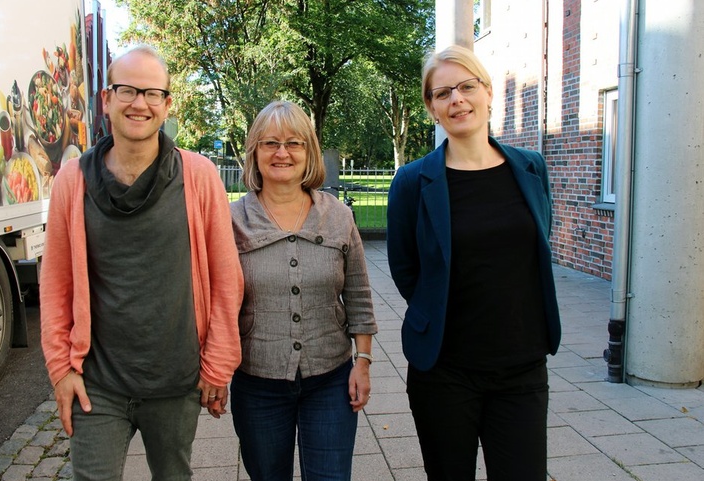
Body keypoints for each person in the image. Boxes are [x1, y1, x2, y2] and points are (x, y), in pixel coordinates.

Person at [39, 45, 243, 481]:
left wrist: (217, 364)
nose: (140, 103)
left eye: (152, 93)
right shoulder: (72, 181)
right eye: (128, 90)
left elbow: (227, 278)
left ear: (166, 105)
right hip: (97, 384)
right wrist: (61, 370)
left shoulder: (198, 175)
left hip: (176, 381)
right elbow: (55, 284)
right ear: (107, 99)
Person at [386, 45, 562, 481]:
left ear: (488, 92)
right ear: (432, 108)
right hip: (444, 369)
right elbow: (405, 268)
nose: (457, 99)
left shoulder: (531, 168)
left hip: (521, 367)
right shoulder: (412, 182)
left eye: (467, 86)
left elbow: (539, 242)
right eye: (443, 93)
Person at [229, 100, 378, 481]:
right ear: (254, 152)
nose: (282, 153)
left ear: (309, 152)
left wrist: (362, 362)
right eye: (270, 143)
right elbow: (217, 302)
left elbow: (359, 295)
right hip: (257, 381)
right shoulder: (232, 220)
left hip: (330, 378)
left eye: (294, 143)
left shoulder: (338, 216)